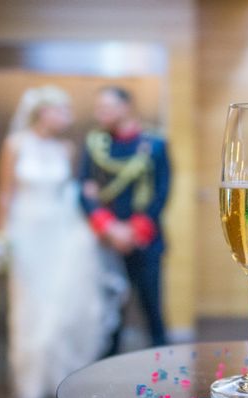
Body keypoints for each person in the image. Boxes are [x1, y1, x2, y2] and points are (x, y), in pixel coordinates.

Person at [0, 85, 122, 398]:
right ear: (43, 112)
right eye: (62, 110)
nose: (67, 116)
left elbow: (71, 193)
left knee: (59, 304)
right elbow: (5, 193)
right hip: (27, 234)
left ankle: (58, 375)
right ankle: (30, 380)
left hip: (60, 235)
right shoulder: (15, 145)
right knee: (29, 306)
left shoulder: (66, 149)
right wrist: (0, 236)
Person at [79, 86, 170, 355]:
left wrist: (132, 230)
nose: (101, 113)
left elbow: (162, 192)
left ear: (126, 107)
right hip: (106, 241)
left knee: (152, 308)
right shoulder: (95, 144)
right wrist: (110, 228)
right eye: (99, 108)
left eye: (107, 107)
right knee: (110, 315)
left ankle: (163, 366)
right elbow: (83, 188)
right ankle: (108, 375)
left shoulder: (155, 144)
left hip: (144, 240)